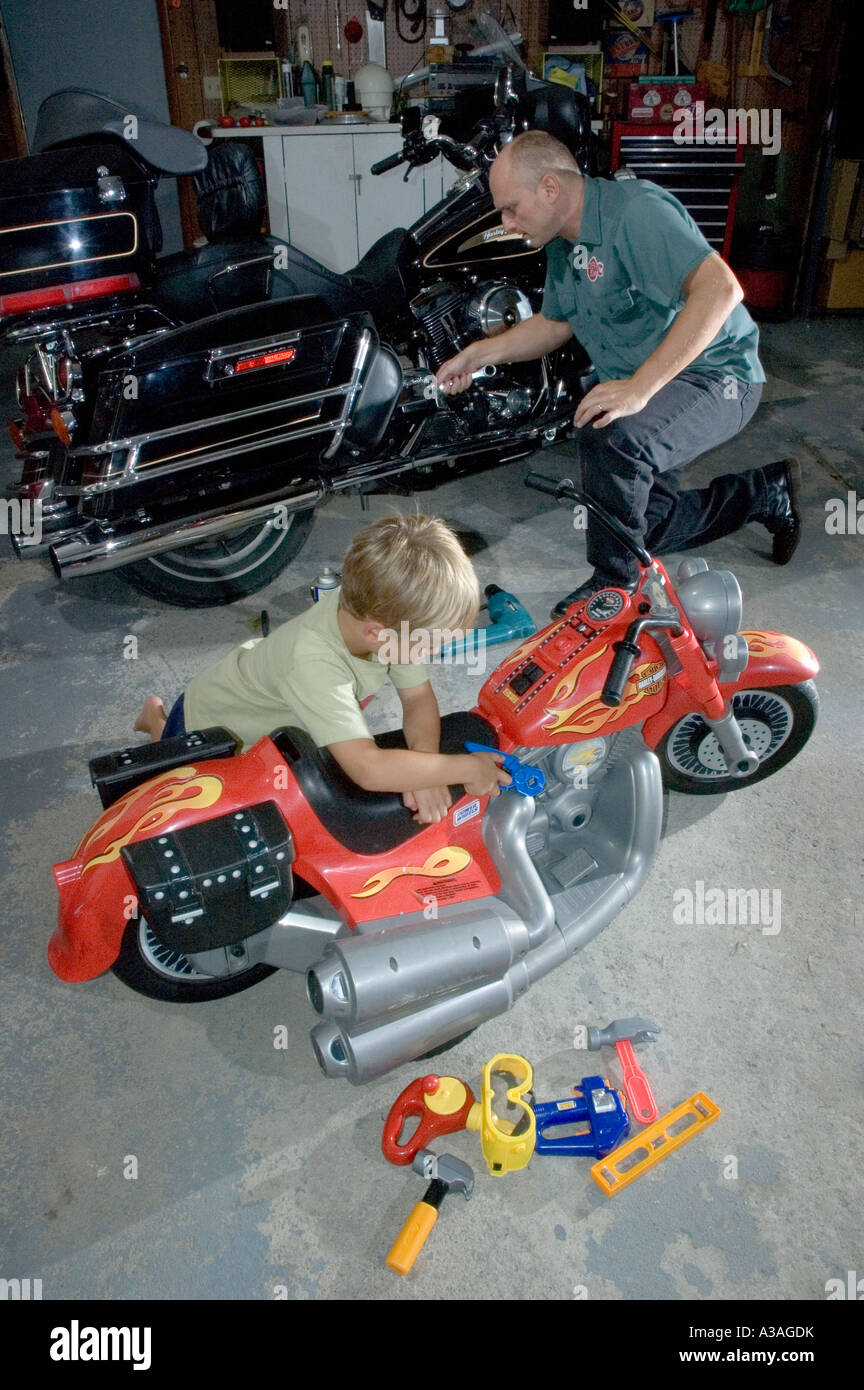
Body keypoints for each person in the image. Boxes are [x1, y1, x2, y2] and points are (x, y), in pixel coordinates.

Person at [435, 130, 800, 617]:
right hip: (661, 386)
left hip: (718, 375)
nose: (505, 223)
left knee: (609, 432)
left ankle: (613, 586)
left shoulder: (635, 212)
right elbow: (552, 324)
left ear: (550, 188)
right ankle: (760, 494)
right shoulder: (564, 243)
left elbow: (721, 289)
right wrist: (478, 354)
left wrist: (638, 389)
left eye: (510, 208)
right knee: (638, 531)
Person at [133, 514, 510, 824]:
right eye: (428, 644)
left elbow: (417, 698)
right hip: (210, 728)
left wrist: (426, 769)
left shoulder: (382, 621)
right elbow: (367, 768)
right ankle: (158, 721)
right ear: (378, 633)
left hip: (269, 704)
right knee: (188, 799)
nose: (432, 652)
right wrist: (464, 769)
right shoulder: (314, 662)